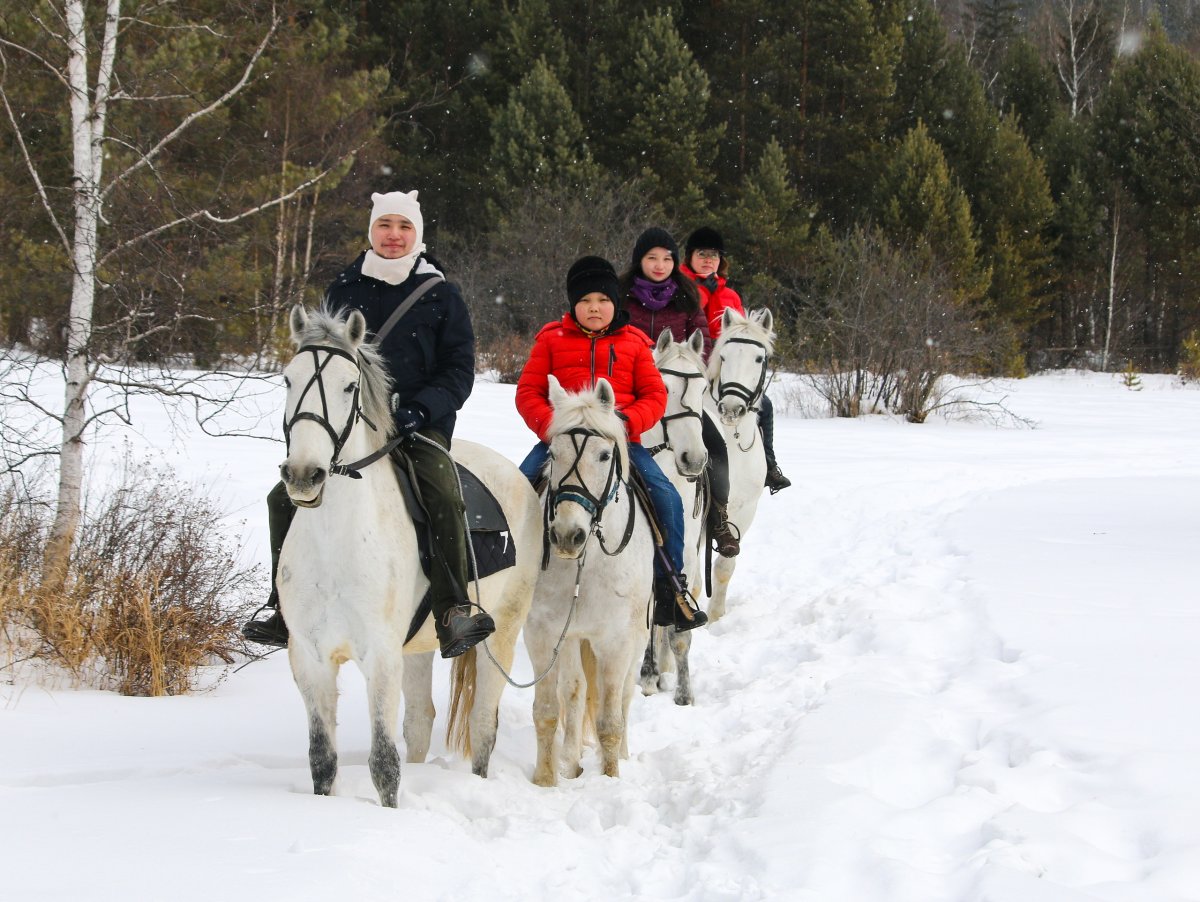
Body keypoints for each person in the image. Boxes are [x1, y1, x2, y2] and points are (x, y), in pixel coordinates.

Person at [242, 189, 495, 659]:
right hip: (350, 422)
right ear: (371, 231)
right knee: (284, 496)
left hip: (418, 422)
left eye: (404, 227)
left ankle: (453, 608)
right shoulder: (345, 286)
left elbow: (459, 369)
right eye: (385, 225)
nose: (394, 235)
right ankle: (283, 608)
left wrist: (420, 408)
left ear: (416, 234)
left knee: (440, 489)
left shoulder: (441, 294)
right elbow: (325, 359)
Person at [514, 255, 707, 632]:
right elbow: (528, 392)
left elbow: (654, 395)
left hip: (619, 444)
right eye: (585, 301)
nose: (594, 308)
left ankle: (671, 588)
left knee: (666, 497)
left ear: (615, 303)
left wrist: (623, 423)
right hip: (564, 442)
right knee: (515, 492)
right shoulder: (551, 339)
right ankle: (504, 578)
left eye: (602, 300)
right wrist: (556, 426)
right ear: (574, 304)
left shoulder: (635, 343)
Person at [620, 227, 740, 557]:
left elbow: (703, 340)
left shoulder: (687, 295)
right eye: (652, 258)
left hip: (679, 389)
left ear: (675, 262)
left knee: (714, 444)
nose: (660, 265)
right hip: (630, 388)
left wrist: (685, 361)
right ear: (639, 261)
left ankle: (718, 518)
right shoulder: (620, 295)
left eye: (667, 259)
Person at [681, 226, 791, 494]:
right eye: (702, 253)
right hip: (690, 368)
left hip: (724, 373)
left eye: (714, 255)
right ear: (690, 257)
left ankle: (769, 463)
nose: (709, 259)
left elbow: (741, 339)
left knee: (764, 404)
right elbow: (687, 320)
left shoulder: (730, 295)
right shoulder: (680, 288)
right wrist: (703, 291)